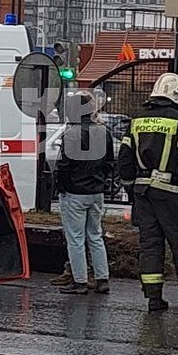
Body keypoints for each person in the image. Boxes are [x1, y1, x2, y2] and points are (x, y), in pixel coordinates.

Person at [118, 73, 178, 312]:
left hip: (143, 195)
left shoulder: (137, 120)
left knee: (150, 245)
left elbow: (125, 158)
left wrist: (130, 188)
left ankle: (153, 298)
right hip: (171, 195)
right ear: (177, 95)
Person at [54, 90, 114, 295]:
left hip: (74, 192)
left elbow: (65, 165)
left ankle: (80, 281)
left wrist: (60, 187)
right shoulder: (103, 131)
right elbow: (109, 162)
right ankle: (102, 279)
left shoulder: (71, 133)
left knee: (75, 239)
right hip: (96, 191)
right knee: (95, 235)